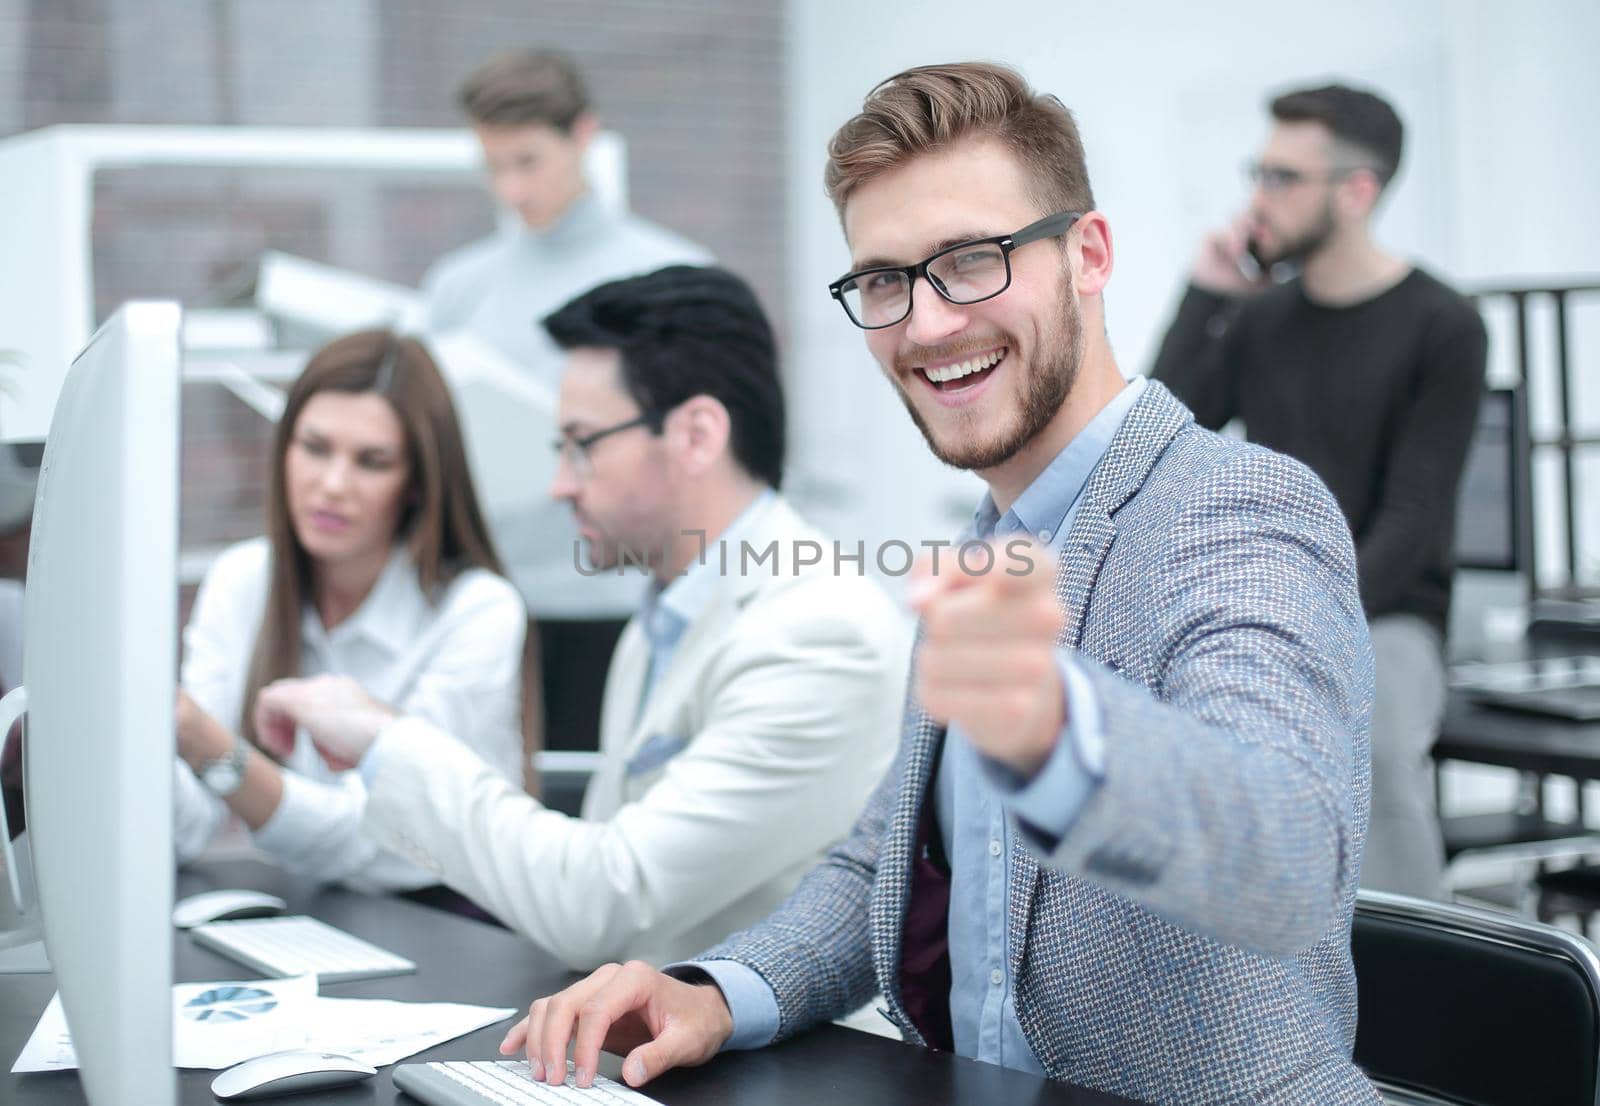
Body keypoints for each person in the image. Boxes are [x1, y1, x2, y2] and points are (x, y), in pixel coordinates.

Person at [490, 63, 1380, 1105]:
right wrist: (721, 992)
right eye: (883, 280)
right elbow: (884, 864)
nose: (923, 325)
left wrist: (1060, 734)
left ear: (1085, 254)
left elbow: (1284, 857)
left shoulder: (1235, 507)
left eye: (970, 259)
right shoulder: (989, 539)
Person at [252, 266, 908, 971]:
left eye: (582, 444)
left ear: (695, 435)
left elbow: (601, 905)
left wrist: (384, 738)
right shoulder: (665, 616)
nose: (561, 485)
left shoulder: (816, 634)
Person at [1151, 82, 1487, 899]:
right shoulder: (1261, 320)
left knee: (1368, 740)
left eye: (1282, 178)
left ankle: (1422, 989)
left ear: (1357, 192)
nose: (1258, 198)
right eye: (1259, 172)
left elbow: (1414, 518)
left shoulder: (1444, 324)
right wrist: (1207, 293)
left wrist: (1308, 623)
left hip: (1390, 609)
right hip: (1265, 599)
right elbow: (1156, 440)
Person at [173, 331, 527, 893]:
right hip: (313, 908)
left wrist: (204, 741)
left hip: (452, 918)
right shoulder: (244, 579)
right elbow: (187, 826)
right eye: (314, 448)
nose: (332, 485)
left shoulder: (476, 611)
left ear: (416, 483)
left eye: (372, 462)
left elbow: (370, 836)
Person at [424, 47, 712, 623]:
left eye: (527, 162)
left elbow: (709, 450)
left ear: (583, 136)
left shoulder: (674, 278)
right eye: (493, 166)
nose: (511, 190)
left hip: (627, 599)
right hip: (488, 598)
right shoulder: (456, 287)